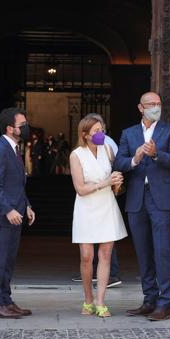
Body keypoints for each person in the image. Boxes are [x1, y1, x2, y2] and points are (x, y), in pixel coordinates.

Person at [114, 91, 170, 321]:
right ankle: (149, 299)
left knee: (162, 250)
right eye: (151, 104)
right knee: (143, 251)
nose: (156, 107)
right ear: (140, 108)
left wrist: (156, 155)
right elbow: (119, 162)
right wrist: (135, 159)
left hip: (161, 199)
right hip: (136, 198)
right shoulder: (129, 133)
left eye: (158, 103)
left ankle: (165, 304)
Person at [70, 114, 127, 317]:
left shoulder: (108, 150)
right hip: (86, 208)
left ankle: (101, 301)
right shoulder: (76, 155)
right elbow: (80, 189)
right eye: (96, 131)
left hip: (106, 206)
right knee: (87, 256)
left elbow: (115, 182)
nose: (100, 134)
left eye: (102, 130)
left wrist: (117, 182)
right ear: (85, 135)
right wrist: (105, 183)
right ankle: (88, 300)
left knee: (105, 255)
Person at [0, 107, 36, 318]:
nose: (25, 127)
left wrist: (26, 205)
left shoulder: (14, 148)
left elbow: (16, 184)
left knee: (8, 260)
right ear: (10, 128)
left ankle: (6, 300)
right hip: (0, 215)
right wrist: (9, 209)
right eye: (22, 125)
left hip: (15, 213)